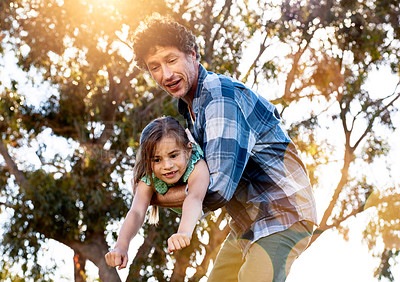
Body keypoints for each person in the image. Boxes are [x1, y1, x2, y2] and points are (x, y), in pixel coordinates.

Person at [131, 13, 318, 281]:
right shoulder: (190, 110)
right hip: (247, 221)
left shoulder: (219, 97)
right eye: (155, 67)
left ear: (192, 54)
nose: (166, 74)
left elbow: (216, 188)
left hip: (282, 212)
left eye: (171, 60)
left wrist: (148, 195)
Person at [105, 116, 209, 269]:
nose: (167, 165)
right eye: (157, 160)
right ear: (148, 161)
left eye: (173, 155)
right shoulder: (148, 178)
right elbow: (136, 212)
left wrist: (184, 231)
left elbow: (194, 196)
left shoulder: (196, 164)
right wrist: (121, 246)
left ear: (188, 150)